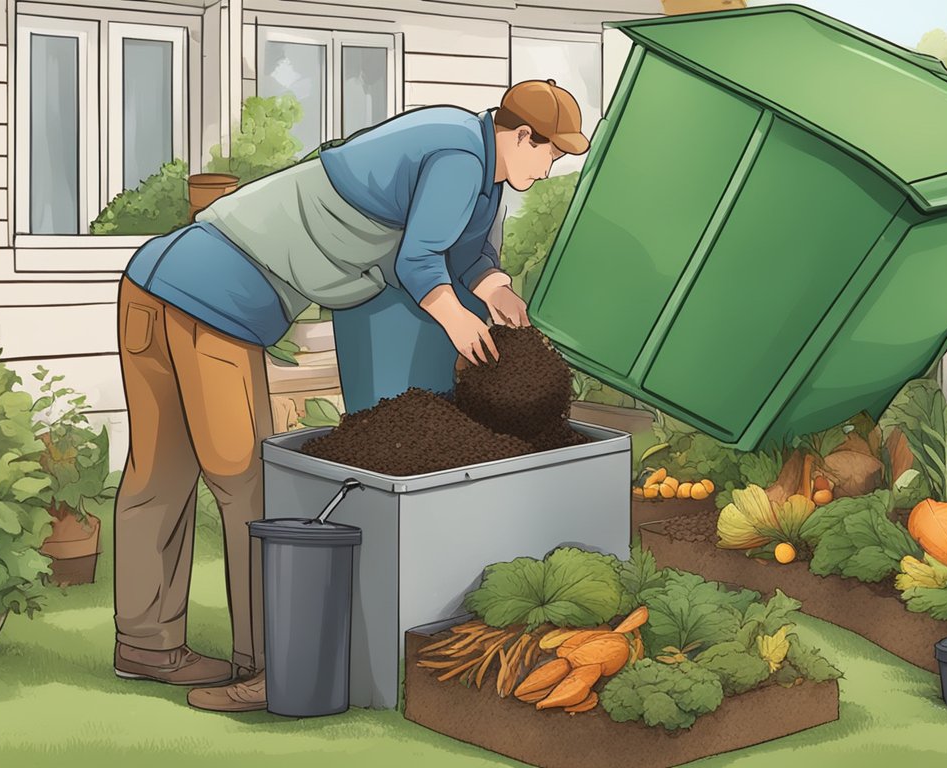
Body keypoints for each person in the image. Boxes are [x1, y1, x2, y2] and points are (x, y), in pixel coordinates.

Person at [110, 79, 590, 712]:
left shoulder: (470, 162)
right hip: (214, 300)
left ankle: (146, 643)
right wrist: (457, 318)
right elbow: (421, 259)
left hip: (151, 282)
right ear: (521, 135)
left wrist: (495, 287)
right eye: (551, 154)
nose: (551, 168)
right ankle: (272, 667)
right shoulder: (461, 157)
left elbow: (467, 250)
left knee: (158, 472)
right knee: (249, 479)